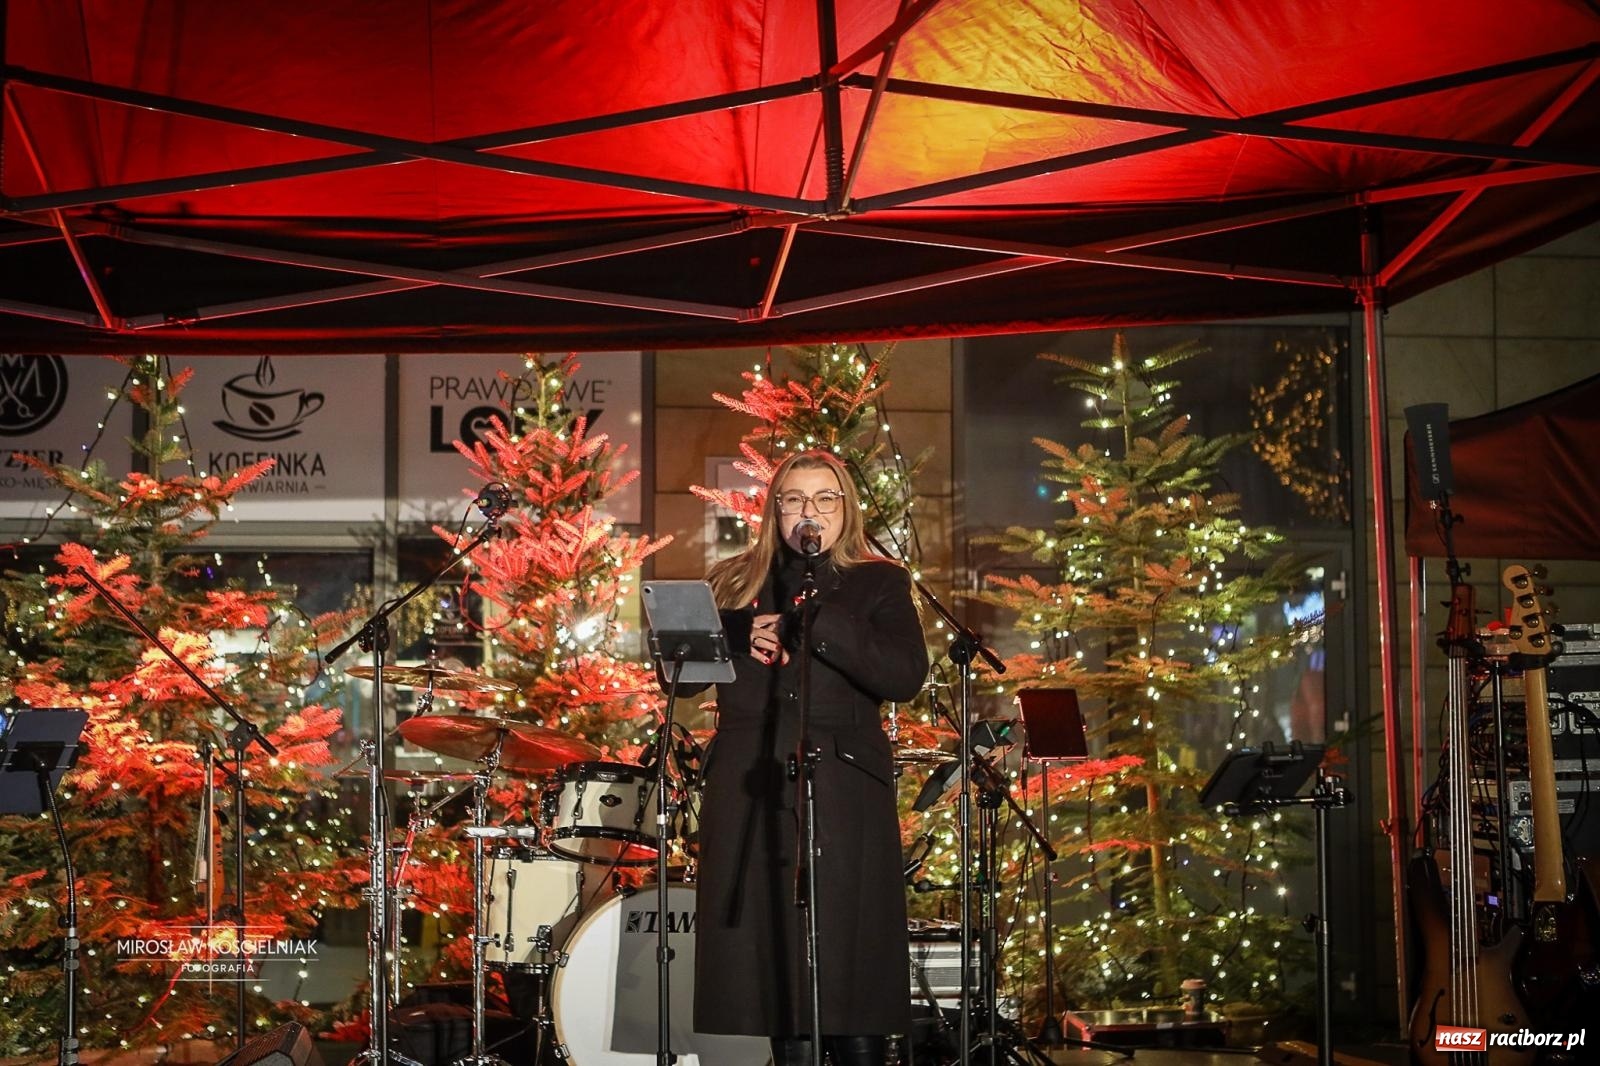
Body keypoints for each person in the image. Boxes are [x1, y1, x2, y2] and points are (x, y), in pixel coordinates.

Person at [690, 449, 929, 1066]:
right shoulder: (732, 580)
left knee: (851, 952)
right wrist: (738, 633)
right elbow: (675, 673)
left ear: (845, 509)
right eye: (794, 498)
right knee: (774, 953)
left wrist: (819, 622)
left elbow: (904, 674)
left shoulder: (879, 581)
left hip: (845, 783)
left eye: (825, 498)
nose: (809, 512)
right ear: (775, 509)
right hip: (752, 782)